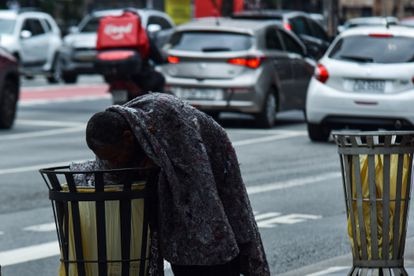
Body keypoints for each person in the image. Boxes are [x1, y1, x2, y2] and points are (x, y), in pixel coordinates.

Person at [84, 93, 270, 276]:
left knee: (211, 241)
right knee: (180, 250)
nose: (114, 164)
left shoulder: (165, 117)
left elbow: (198, 183)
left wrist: (155, 163)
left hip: (206, 162)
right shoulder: (108, 140)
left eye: (116, 158)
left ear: (128, 137)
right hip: (169, 180)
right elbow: (108, 178)